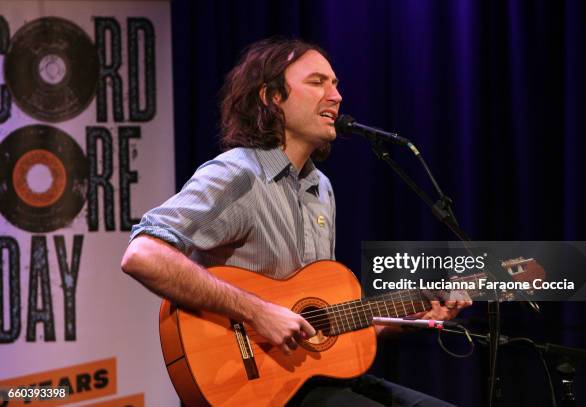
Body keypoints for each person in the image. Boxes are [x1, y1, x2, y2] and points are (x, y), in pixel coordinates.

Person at [121, 37, 470, 406]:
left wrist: (406, 314)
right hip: (252, 388)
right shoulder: (238, 173)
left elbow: (320, 326)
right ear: (272, 97)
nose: (335, 96)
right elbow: (142, 254)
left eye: (335, 84)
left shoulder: (321, 188)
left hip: (312, 378)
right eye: (318, 82)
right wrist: (257, 311)